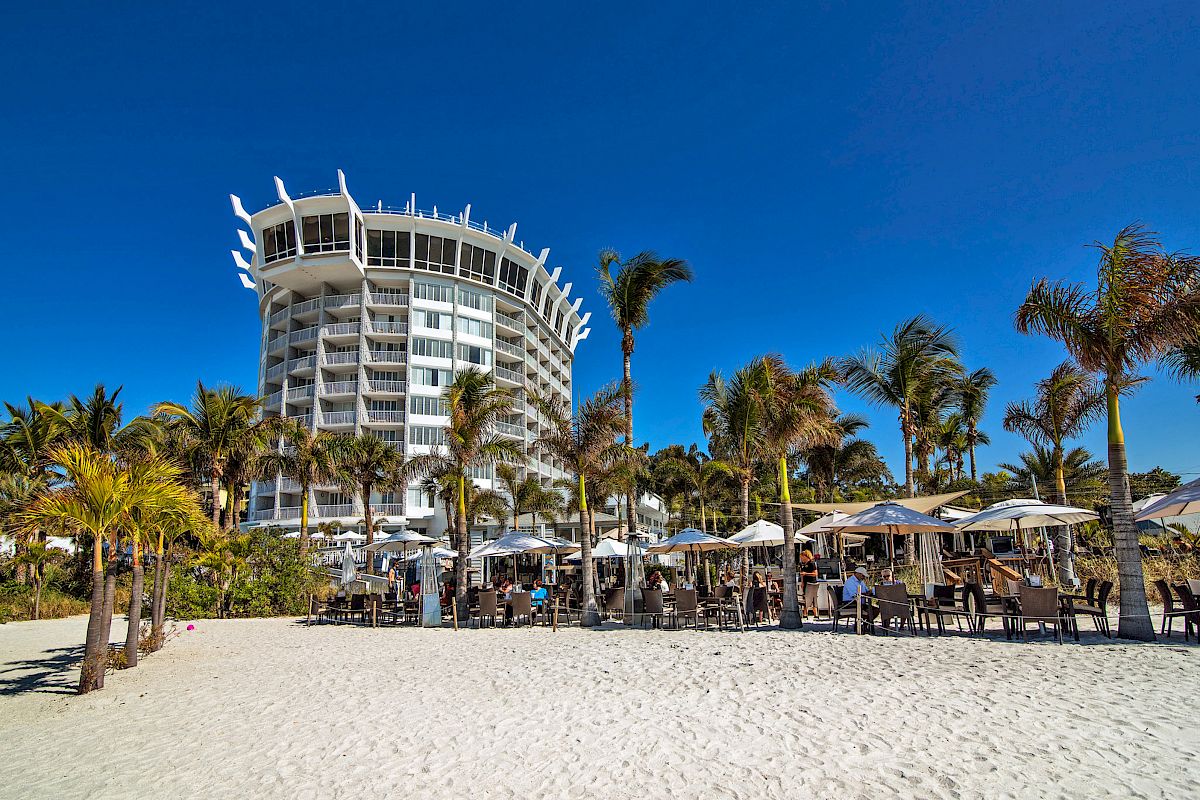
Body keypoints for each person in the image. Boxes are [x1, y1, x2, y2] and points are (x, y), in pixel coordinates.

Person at [799, 550, 819, 617]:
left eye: (802, 557)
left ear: (805, 556)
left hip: (811, 583)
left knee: (811, 598)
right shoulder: (804, 564)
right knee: (807, 597)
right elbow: (802, 574)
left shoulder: (811, 563)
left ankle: (813, 613)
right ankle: (806, 613)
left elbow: (815, 573)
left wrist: (806, 573)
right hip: (806, 583)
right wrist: (802, 582)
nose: (801, 559)